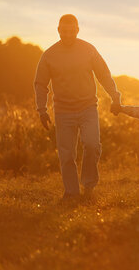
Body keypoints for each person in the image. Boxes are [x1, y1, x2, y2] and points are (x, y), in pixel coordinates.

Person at [33, 14, 121, 198]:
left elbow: (103, 74)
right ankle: (71, 193)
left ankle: (88, 184)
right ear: (58, 30)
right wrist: (41, 109)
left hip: (88, 107)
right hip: (63, 111)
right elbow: (40, 84)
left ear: (77, 30)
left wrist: (115, 96)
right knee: (66, 155)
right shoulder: (49, 55)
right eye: (64, 31)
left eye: (71, 31)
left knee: (92, 144)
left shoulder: (88, 50)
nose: (67, 35)